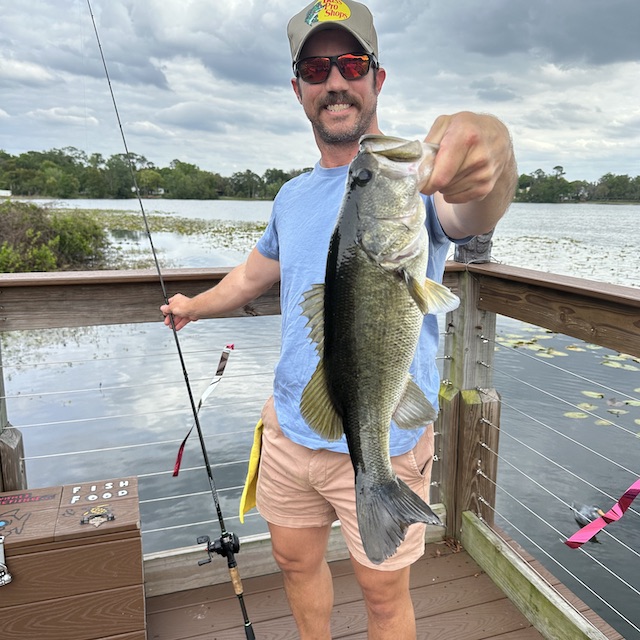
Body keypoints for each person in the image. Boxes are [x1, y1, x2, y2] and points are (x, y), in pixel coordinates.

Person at [161, 2, 517, 638]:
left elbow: (478, 209)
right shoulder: (292, 196)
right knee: (294, 563)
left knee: (383, 595)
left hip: (384, 433)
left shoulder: (416, 184)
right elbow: (251, 277)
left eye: (350, 63)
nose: (334, 81)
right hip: (292, 425)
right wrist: (193, 305)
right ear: (297, 87)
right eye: (315, 67)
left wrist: (494, 144)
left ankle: (378, 480)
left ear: (377, 78)